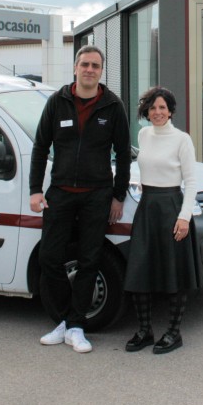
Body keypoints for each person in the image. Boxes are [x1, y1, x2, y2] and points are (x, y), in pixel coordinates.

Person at [29, 45, 131, 353]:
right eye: (84, 64)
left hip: (96, 195)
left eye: (95, 66)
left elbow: (124, 154)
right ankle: (63, 320)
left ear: (101, 71)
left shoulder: (113, 106)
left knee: (89, 260)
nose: (89, 69)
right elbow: (40, 147)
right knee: (49, 258)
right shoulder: (57, 102)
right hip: (59, 193)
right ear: (75, 67)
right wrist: (35, 189)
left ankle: (76, 326)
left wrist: (118, 196)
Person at [123, 86, 199, 354]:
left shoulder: (182, 139)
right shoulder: (143, 135)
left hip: (171, 208)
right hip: (147, 207)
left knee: (173, 273)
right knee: (139, 269)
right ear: (147, 110)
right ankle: (145, 331)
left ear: (171, 111)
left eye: (162, 108)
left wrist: (184, 218)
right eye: (153, 107)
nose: (157, 112)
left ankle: (173, 333)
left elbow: (191, 182)